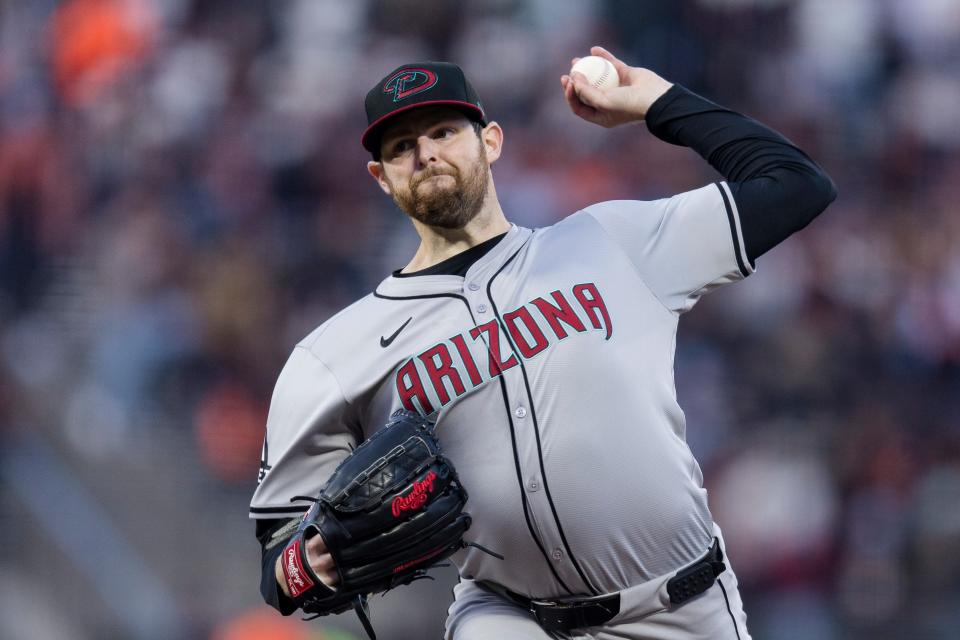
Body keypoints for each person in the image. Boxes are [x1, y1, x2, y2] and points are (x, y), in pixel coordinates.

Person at [251, 46, 836, 639]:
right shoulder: (335, 355)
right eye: (401, 147)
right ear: (381, 177)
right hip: (510, 617)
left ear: (492, 142)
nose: (425, 153)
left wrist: (658, 102)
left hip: (685, 605)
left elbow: (797, 184)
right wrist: (309, 564)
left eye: (444, 131)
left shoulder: (614, 242)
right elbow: (280, 557)